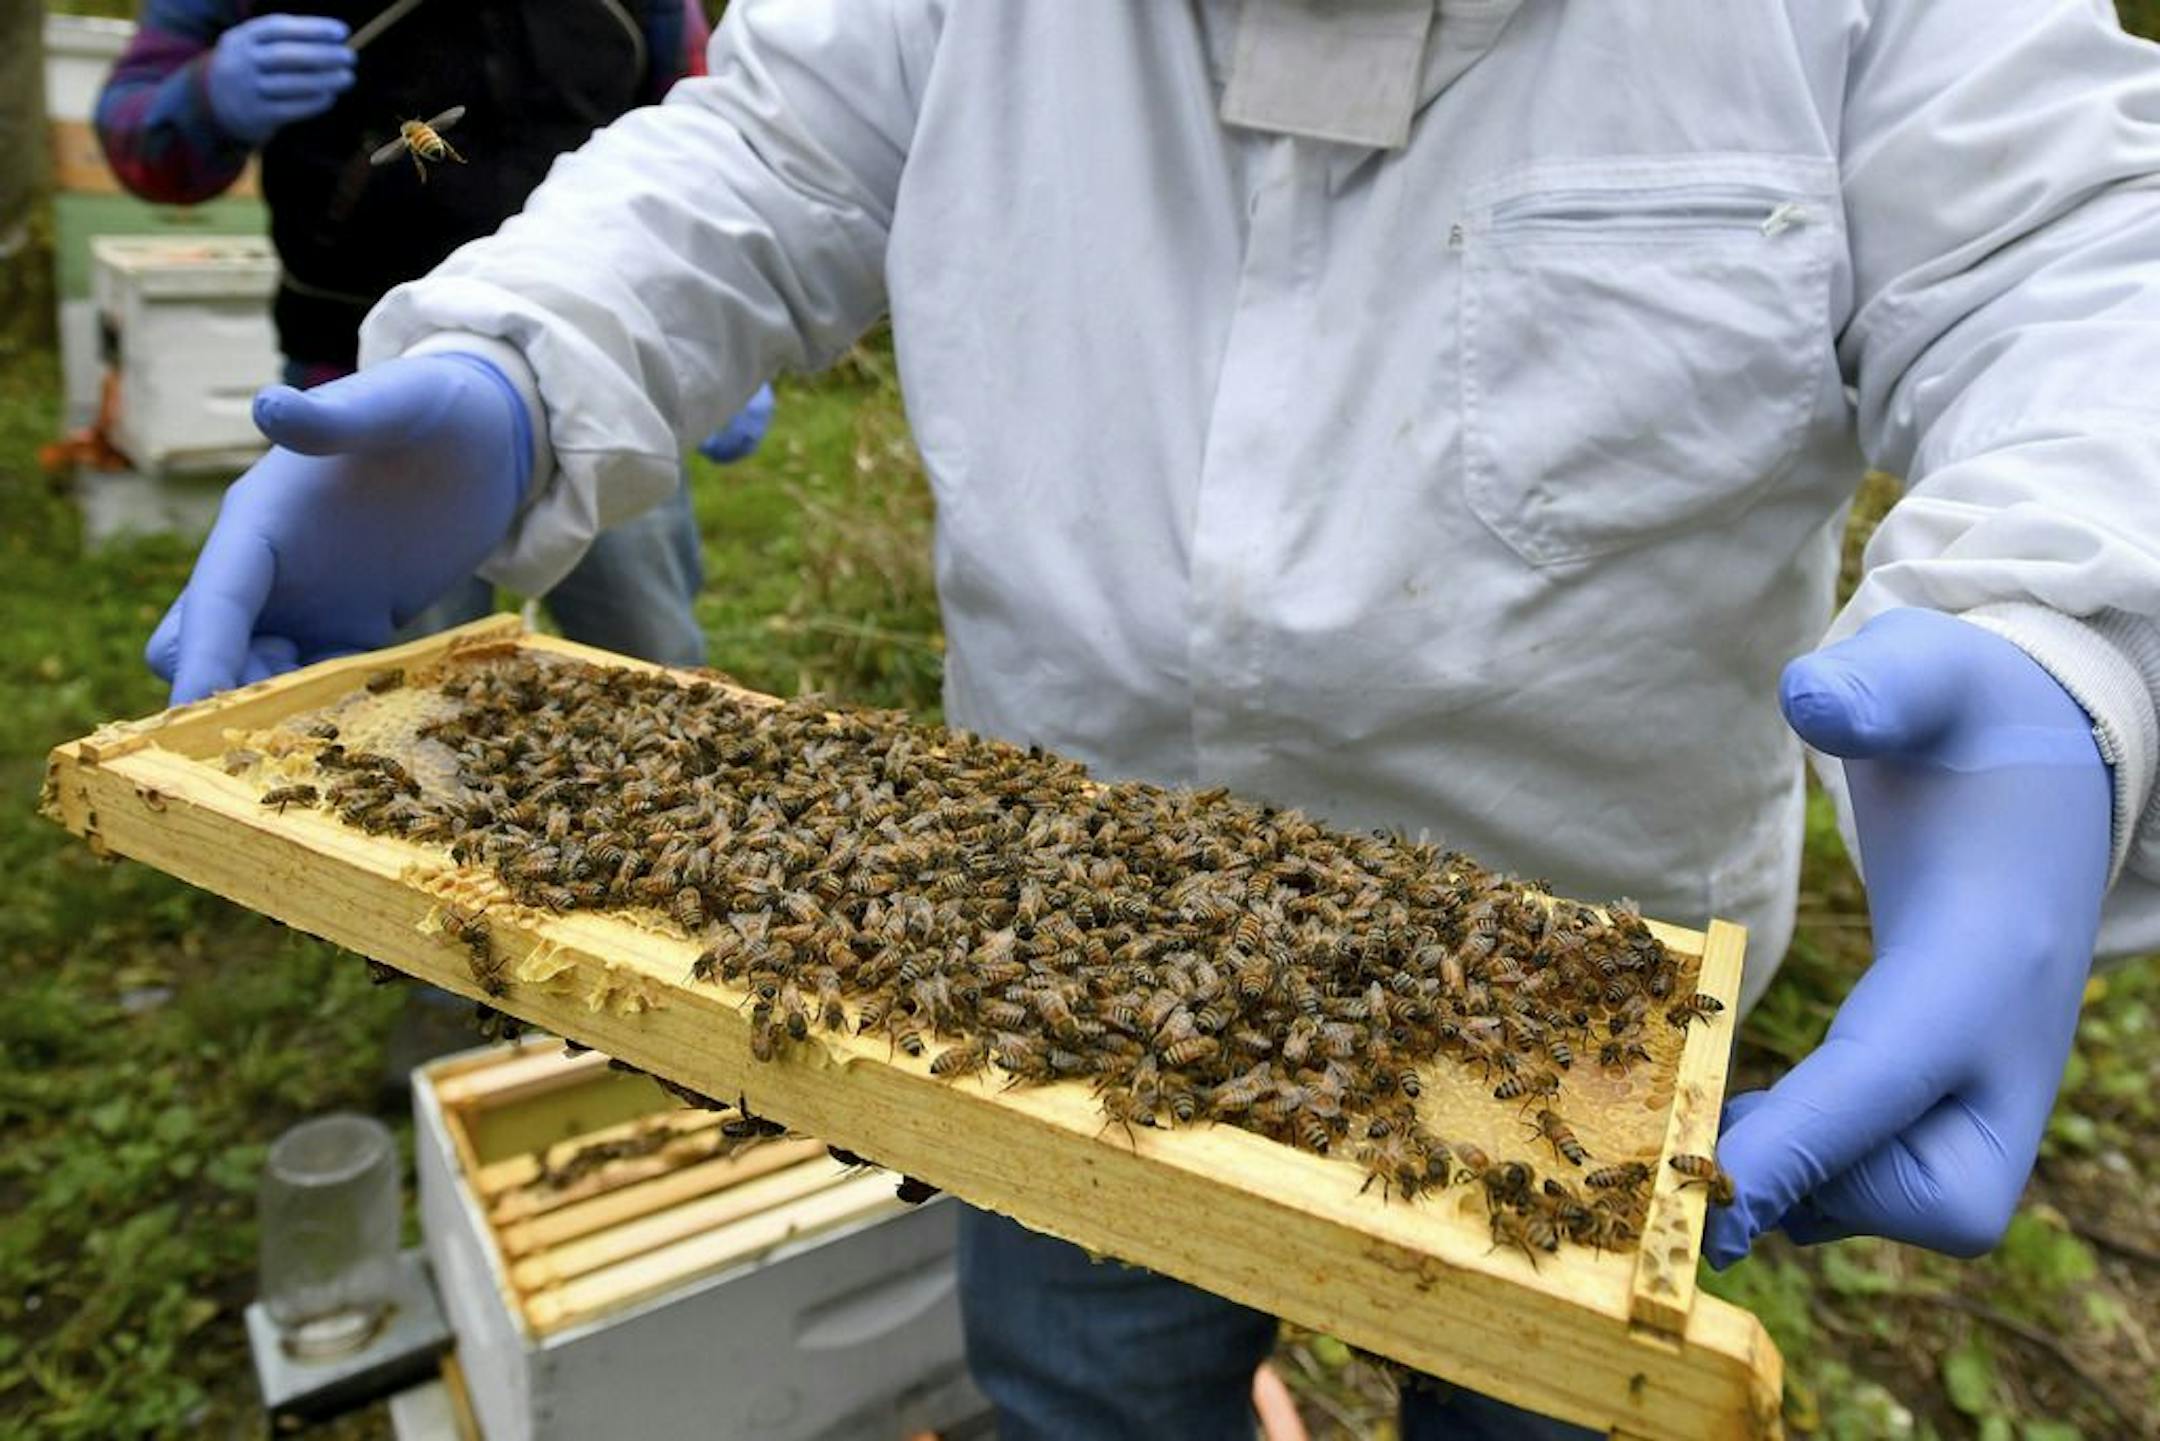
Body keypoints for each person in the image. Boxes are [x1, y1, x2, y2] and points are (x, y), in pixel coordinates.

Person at [145, 3, 2160, 1436]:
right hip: (1017, 987)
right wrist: (521, 363)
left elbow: (2072, 267)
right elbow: (752, 158)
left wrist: (2062, 639)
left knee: (1550, 1410)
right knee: (1089, 1385)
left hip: (1564, 997)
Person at [94, 0, 774, 668]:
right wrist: (203, 99)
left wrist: (713, 314)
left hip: (613, 369)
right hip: (363, 387)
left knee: (653, 656)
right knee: (399, 691)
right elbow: (132, 129)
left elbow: (705, 135)